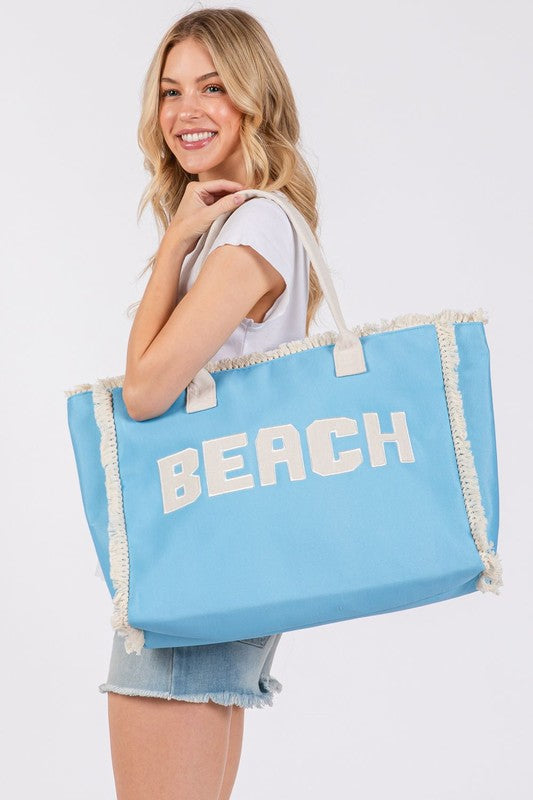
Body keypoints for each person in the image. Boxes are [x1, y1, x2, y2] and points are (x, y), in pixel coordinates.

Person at [98, 7, 325, 799]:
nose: (185, 111)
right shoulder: (248, 223)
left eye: (213, 86)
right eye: (170, 90)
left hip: (201, 553)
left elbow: (144, 392)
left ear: (255, 99)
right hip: (227, 550)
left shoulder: (253, 226)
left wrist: (172, 247)